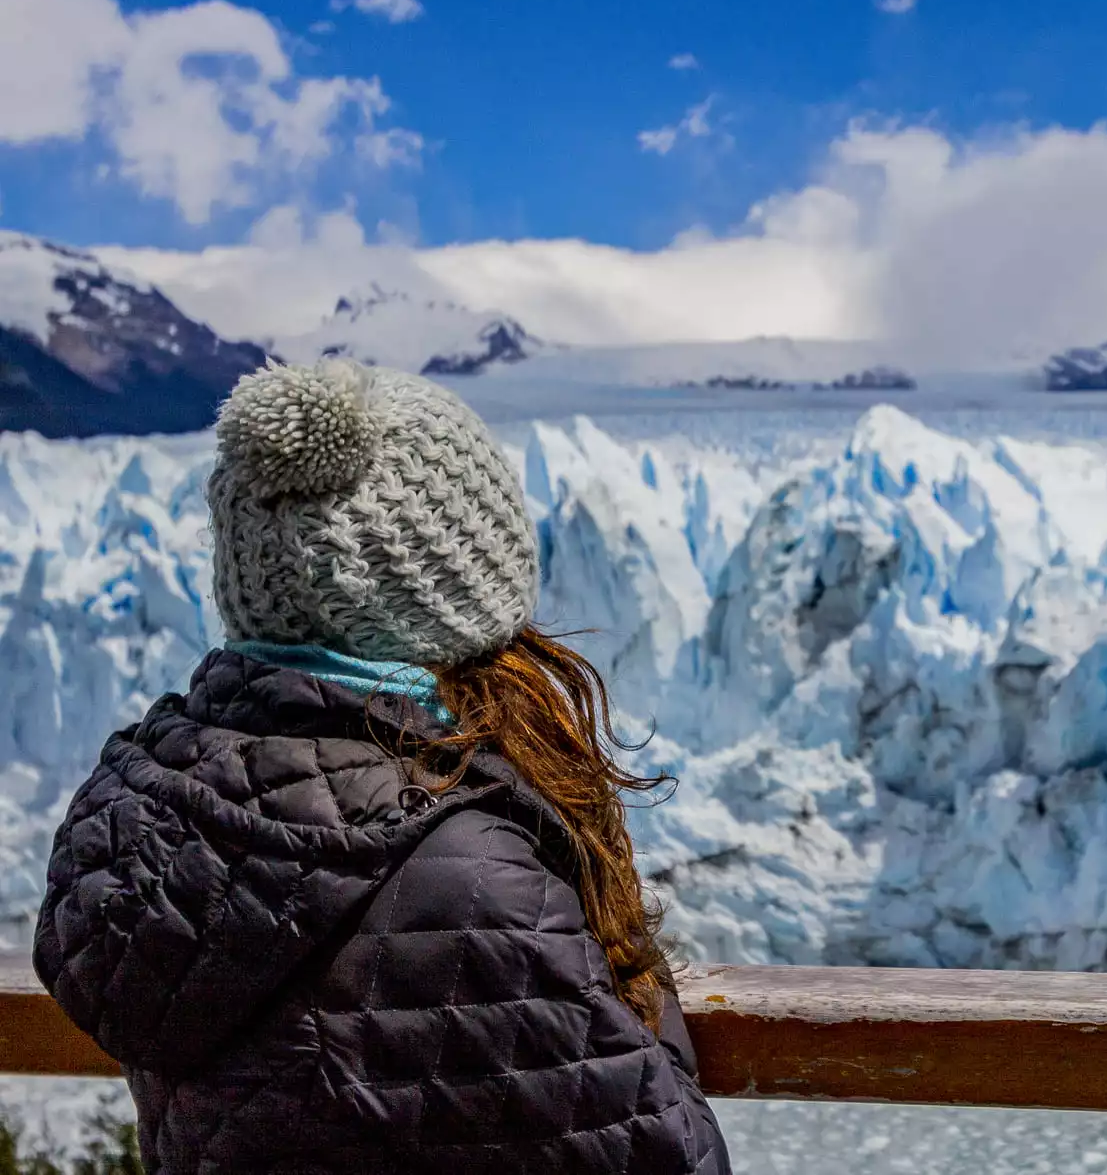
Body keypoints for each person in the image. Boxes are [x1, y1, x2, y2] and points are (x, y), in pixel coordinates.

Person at [33, 360, 733, 1175]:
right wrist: (631, 975)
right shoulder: (457, 878)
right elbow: (672, 1156)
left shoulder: (147, 816)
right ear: (458, 584)